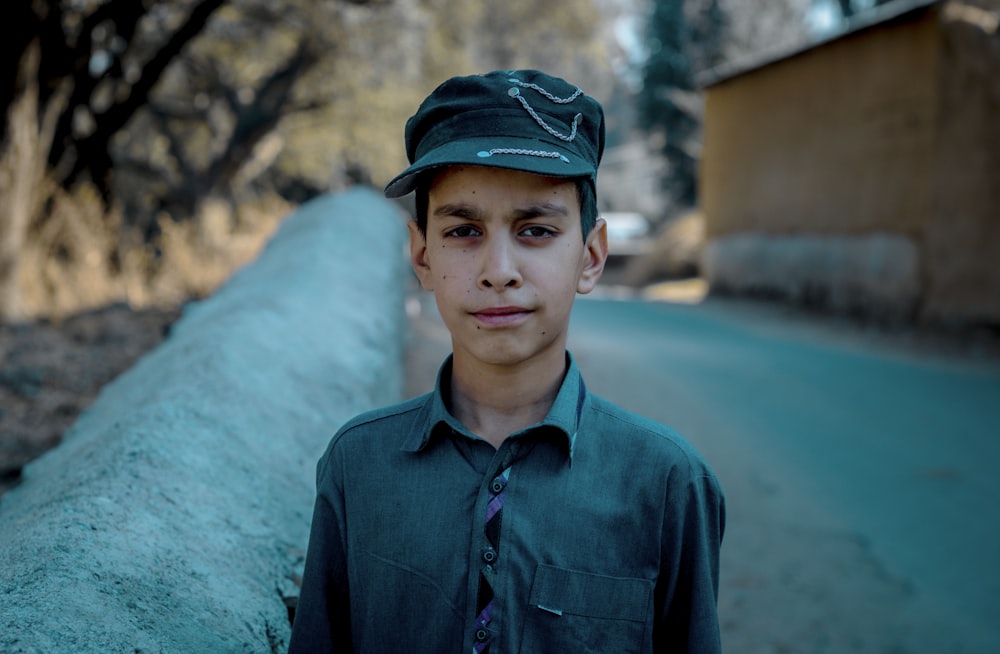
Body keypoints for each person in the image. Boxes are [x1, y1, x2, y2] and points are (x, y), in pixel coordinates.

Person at [288, 69, 725, 653]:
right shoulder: (358, 469)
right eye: (464, 230)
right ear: (422, 255)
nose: (499, 269)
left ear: (590, 257)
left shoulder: (668, 483)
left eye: (536, 230)